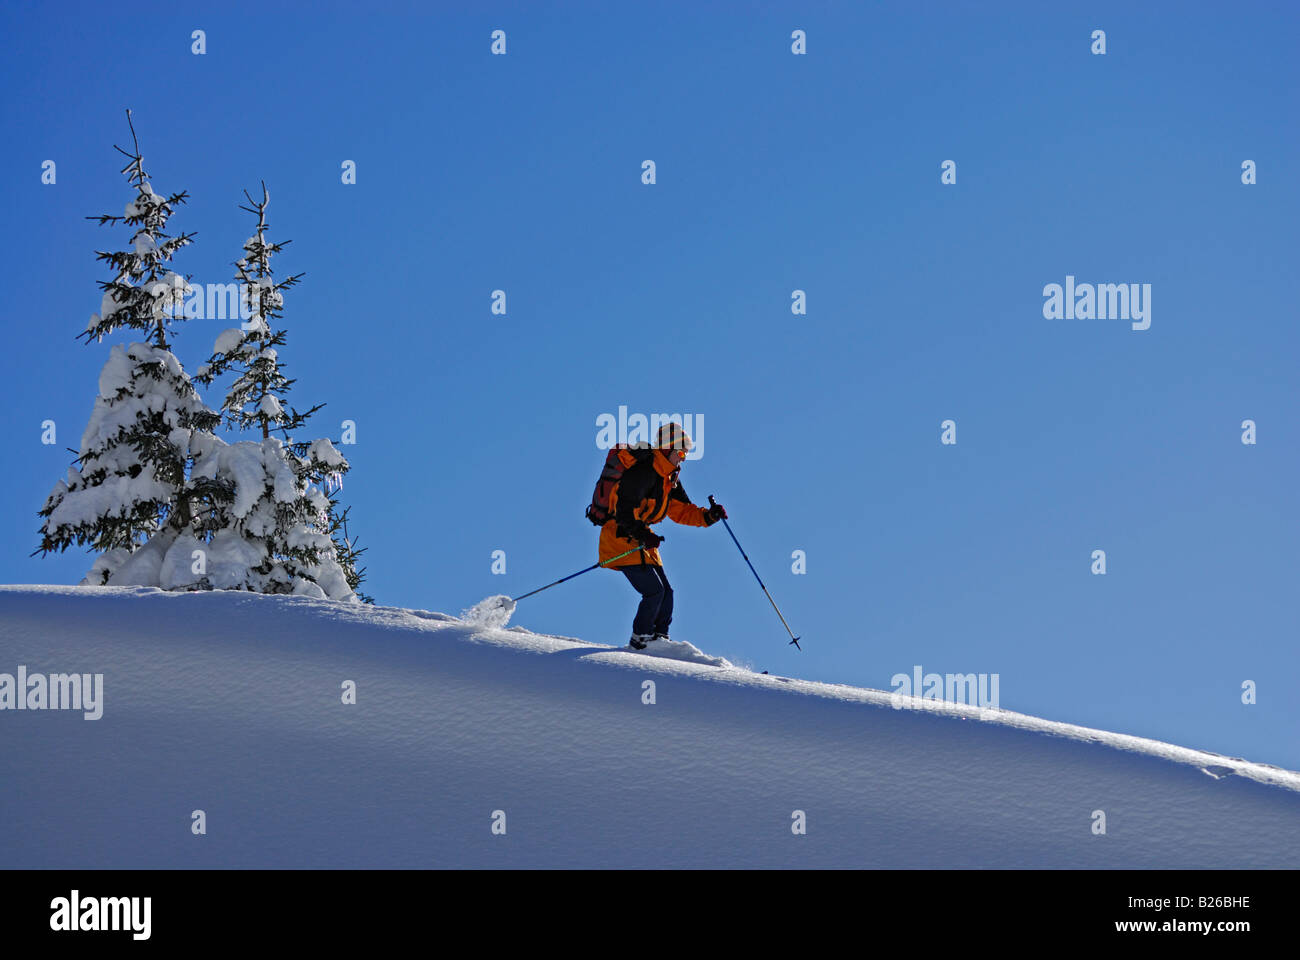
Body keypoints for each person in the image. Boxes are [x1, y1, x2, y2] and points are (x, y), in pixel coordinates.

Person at [600, 422, 727, 648]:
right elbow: (624, 510)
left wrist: (709, 516)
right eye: (680, 452)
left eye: (686, 454)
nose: (683, 458)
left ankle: (660, 641)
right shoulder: (643, 472)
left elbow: (682, 511)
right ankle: (641, 641)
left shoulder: (669, 479)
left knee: (667, 593)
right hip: (620, 538)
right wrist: (642, 534)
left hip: (642, 541)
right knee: (654, 592)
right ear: (666, 449)